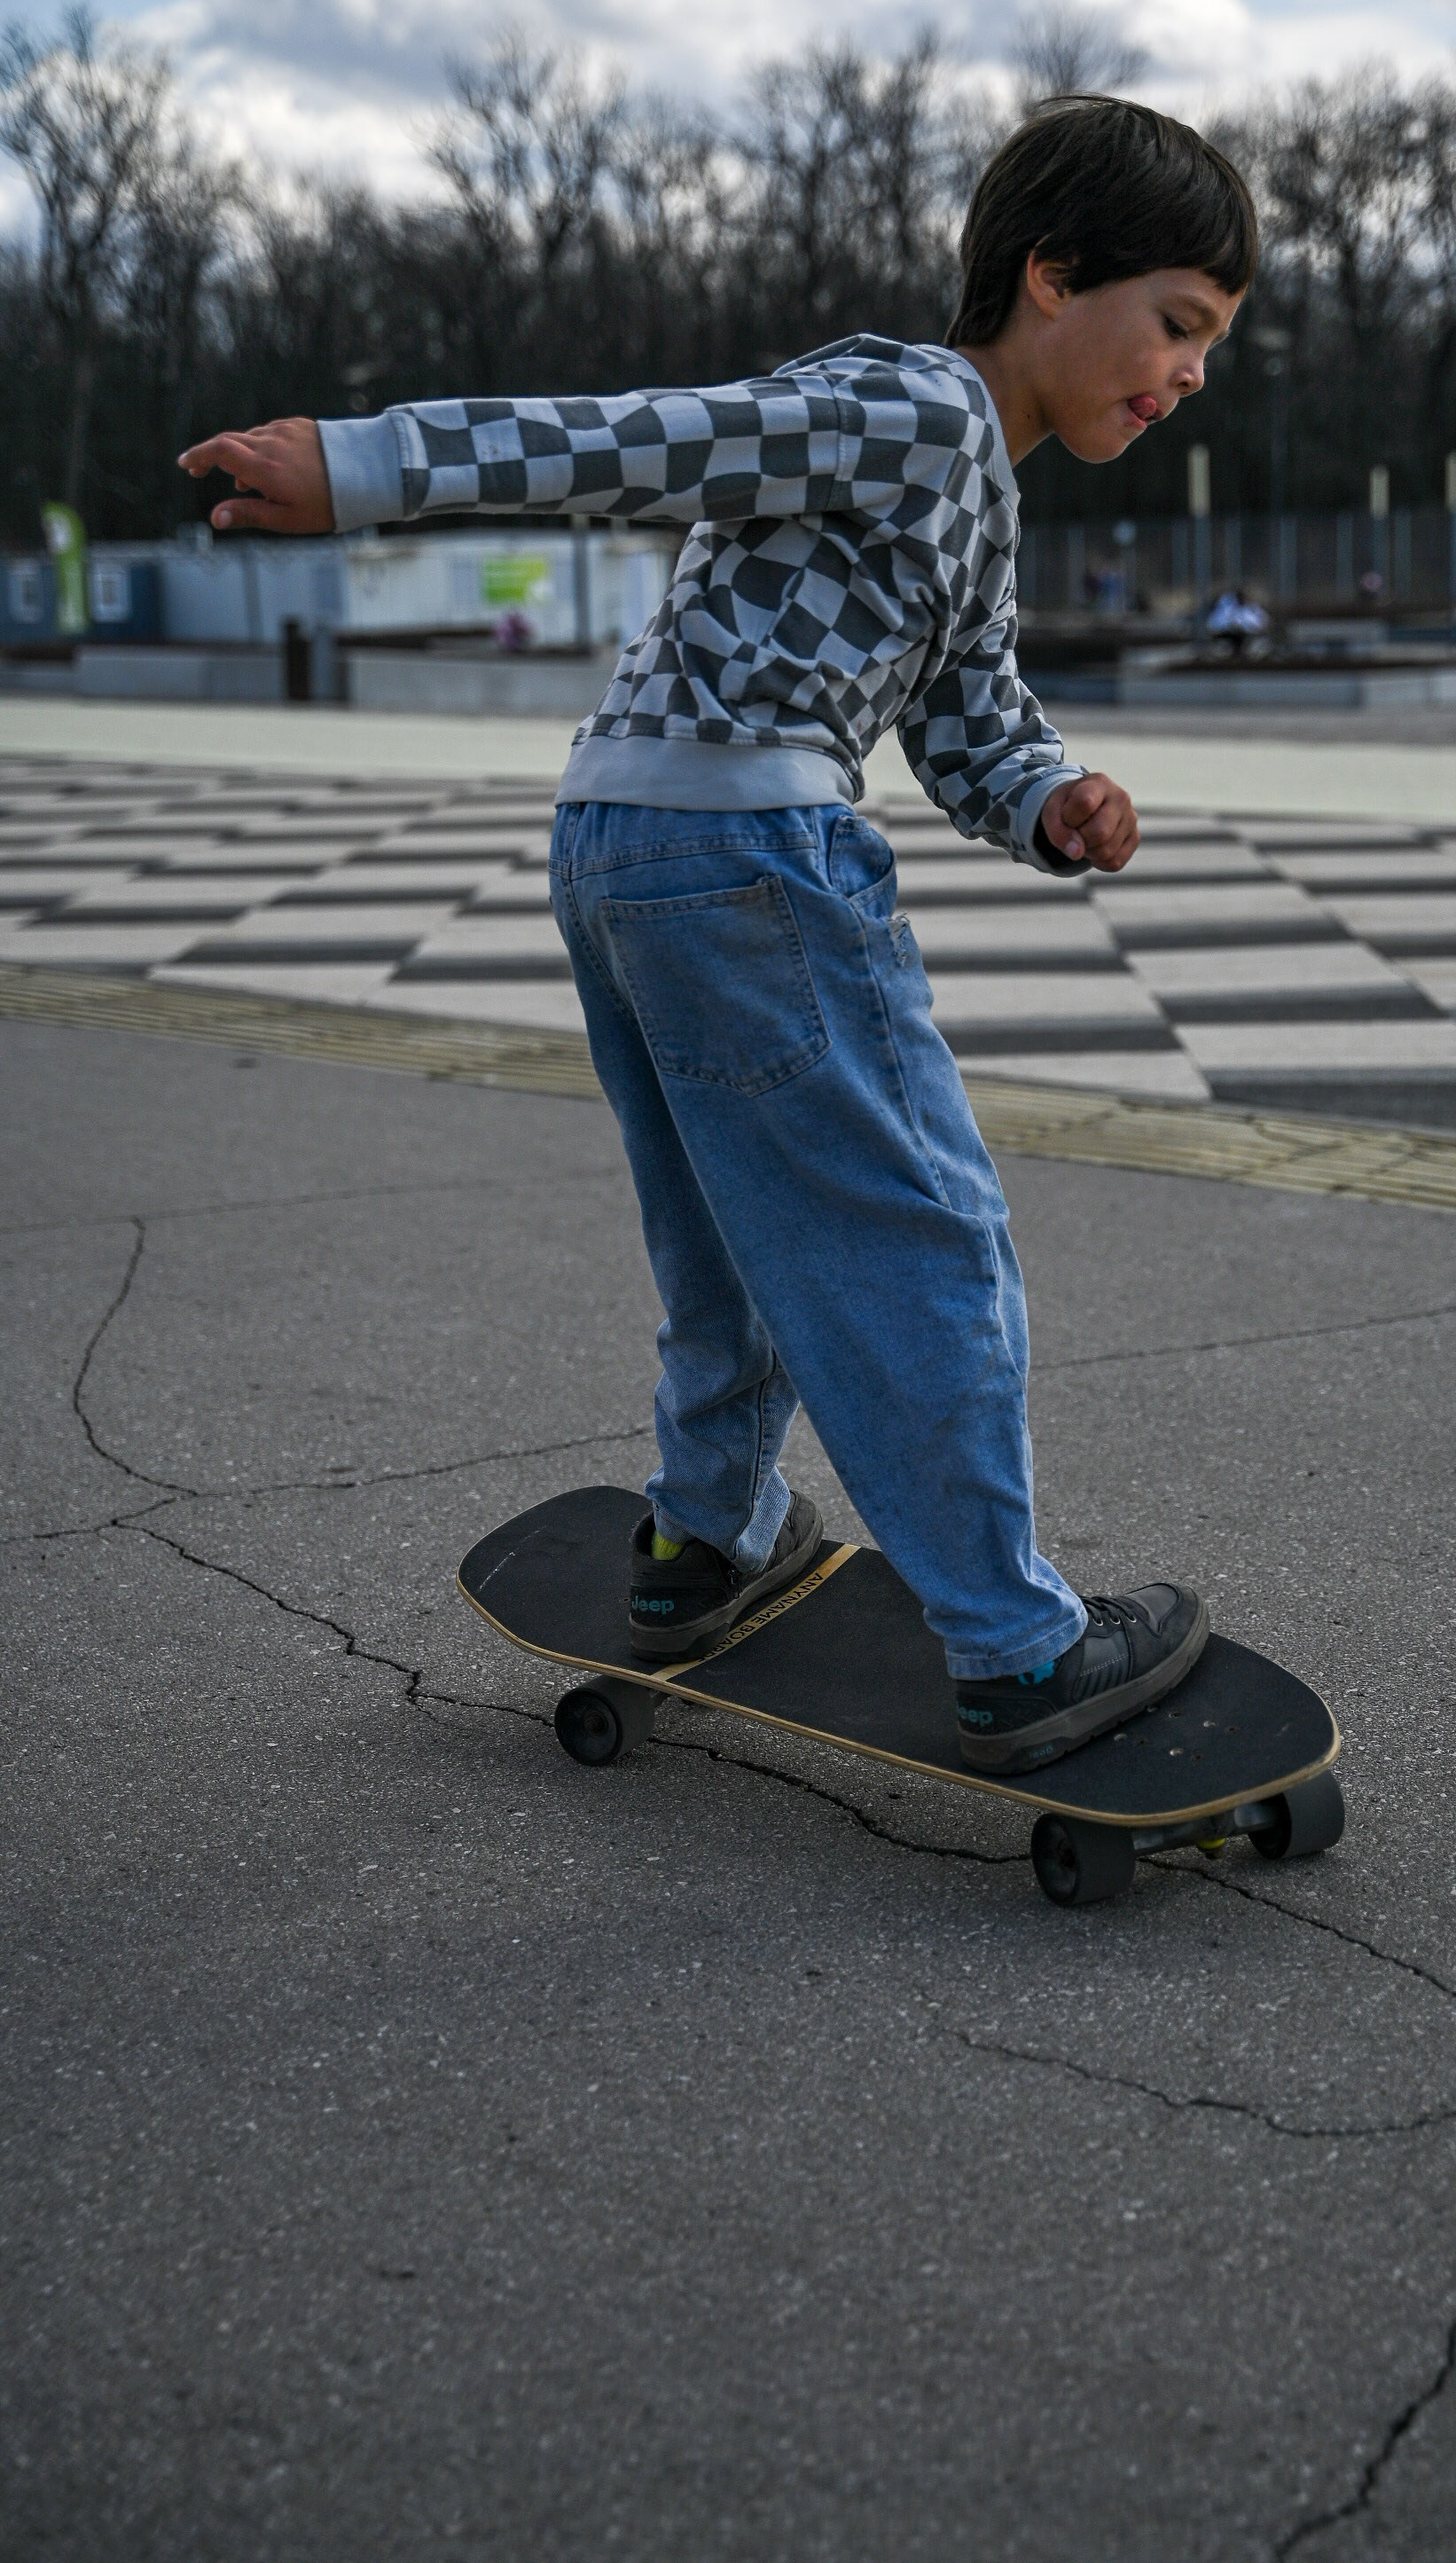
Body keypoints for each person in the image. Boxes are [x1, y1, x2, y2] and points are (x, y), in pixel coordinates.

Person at [177, 95, 1256, 1778]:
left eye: (1210, 347)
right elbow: (646, 439)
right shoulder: (905, 401)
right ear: (1052, 277)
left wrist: (1048, 797)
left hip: (624, 837)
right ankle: (1016, 1644)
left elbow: (971, 716)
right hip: (753, 853)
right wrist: (367, 466)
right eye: (1176, 325)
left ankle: (706, 1536)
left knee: (728, 1225)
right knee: (916, 1230)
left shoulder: (967, 483)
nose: (1190, 373)